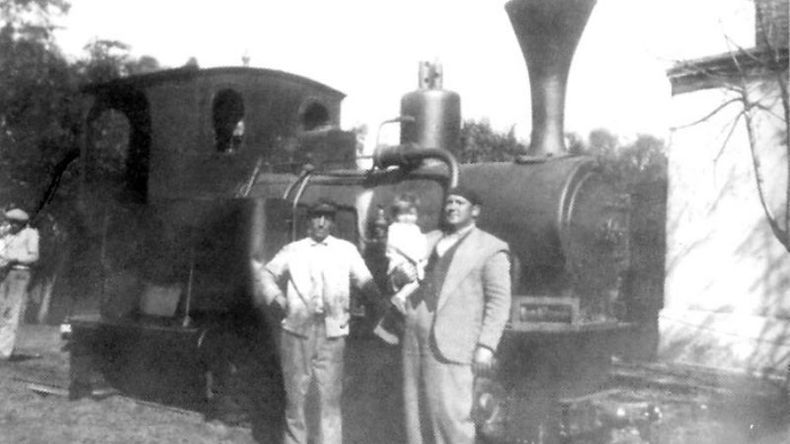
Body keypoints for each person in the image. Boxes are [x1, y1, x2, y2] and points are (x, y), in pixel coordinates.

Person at [253, 199, 384, 444]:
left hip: (332, 334)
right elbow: (265, 275)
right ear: (309, 221)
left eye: (326, 217)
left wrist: (384, 308)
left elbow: (365, 282)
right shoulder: (294, 249)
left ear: (333, 222)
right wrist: (278, 298)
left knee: (330, 401)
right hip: (296, 332)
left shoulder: (346, 250)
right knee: (296, 399)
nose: (321, 222)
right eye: (316, 217)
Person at [391, 187, 511, 444]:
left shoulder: (491, 248)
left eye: (460, 202)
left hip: (453, 344)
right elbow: (399, 273)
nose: (452, 207)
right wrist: (398, 276)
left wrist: (486, 346)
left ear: (475, 211)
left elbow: (499, 302)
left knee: (453, 419)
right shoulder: (429, 239)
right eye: (449, 202)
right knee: (415, 415)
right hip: (414, 337)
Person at [374, 193, 427, 345]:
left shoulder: (416, 230)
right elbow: (398, 247)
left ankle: (400, 298)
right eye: (402, 214)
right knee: (415, 277)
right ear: (396, 215)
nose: (407, 218)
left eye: (411, 214)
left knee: (419, 281)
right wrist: (417, 260)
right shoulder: (395, 228)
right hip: (399, 263)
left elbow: (422, 246)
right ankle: (398, 300)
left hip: (414, 263)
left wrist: (421, 260)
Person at [0, 208, 40, 360]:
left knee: (11, 311)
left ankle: (4, 351)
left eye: (17, 223)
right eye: (11, 222)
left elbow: (34, 256)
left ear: (24, 223)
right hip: (4, 272)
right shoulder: (7, 232)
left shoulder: (31, 234)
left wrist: (15, 258)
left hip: (19, 273)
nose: (13, 225)